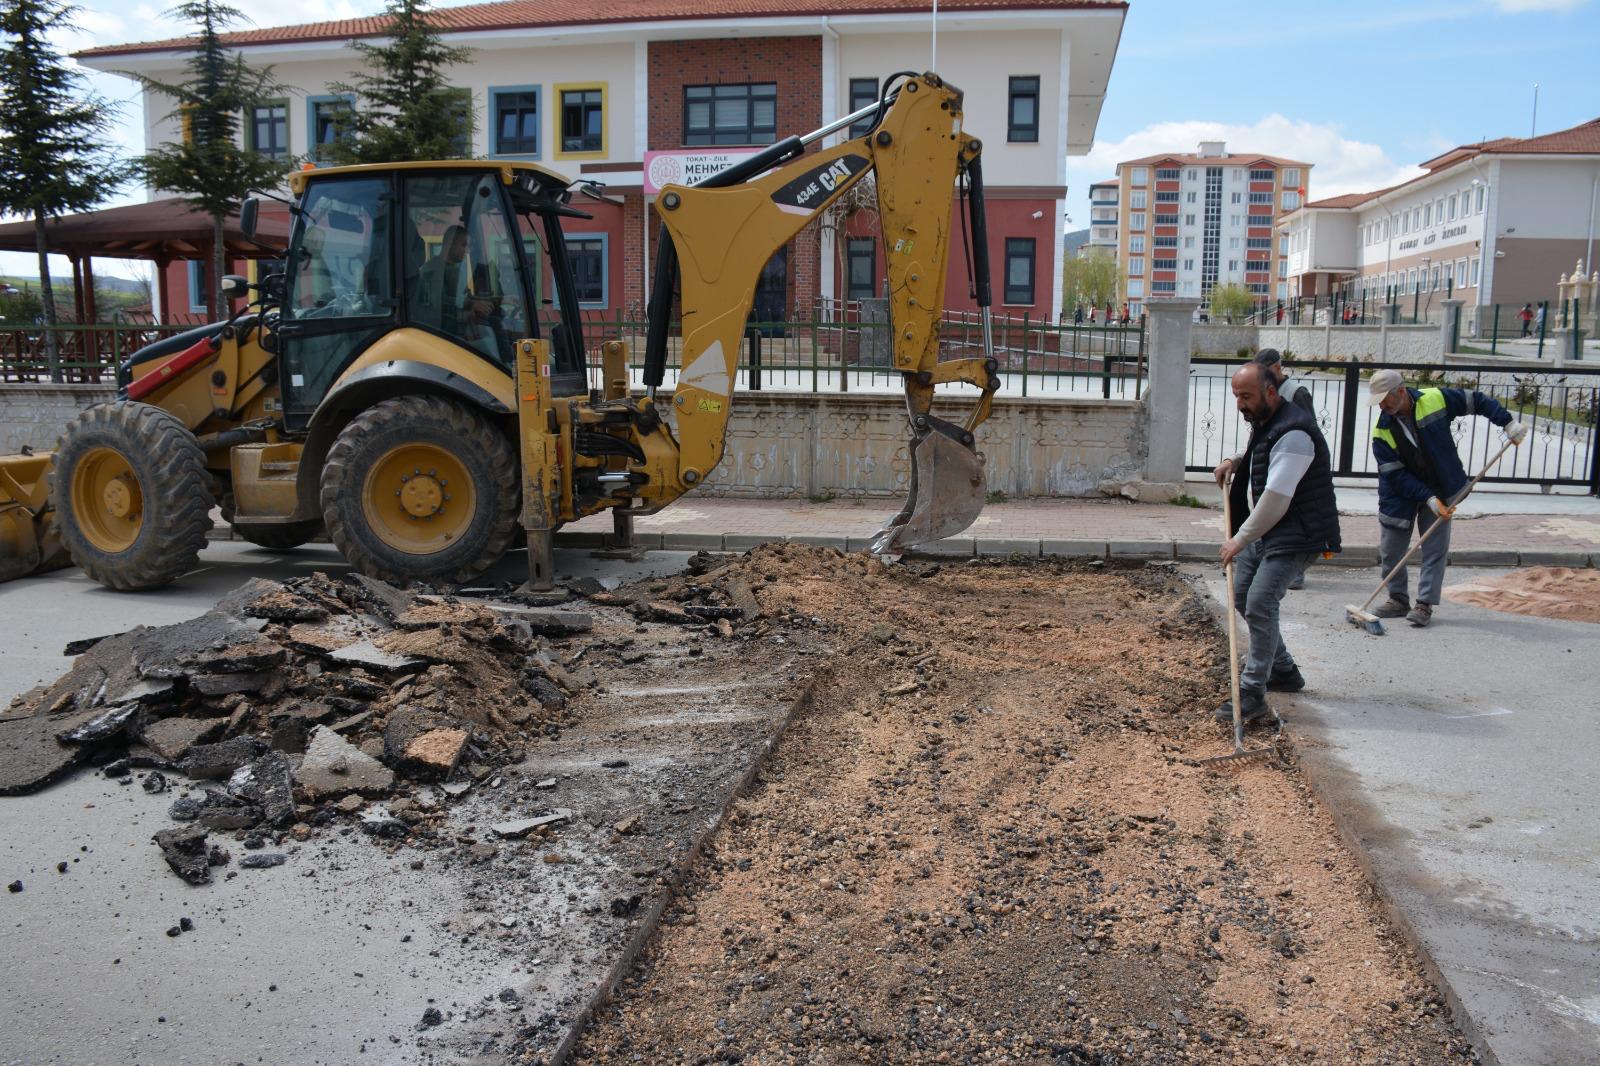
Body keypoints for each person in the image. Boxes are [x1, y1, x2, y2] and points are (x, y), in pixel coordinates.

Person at [1211, 363, 1341, 727]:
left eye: (1246, 396)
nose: (1240, 404)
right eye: (1236, 396)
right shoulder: (1269, 420)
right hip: (1272, 530)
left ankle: (1252, 694)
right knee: (1241, 595)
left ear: (1270, 392)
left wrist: (1239, 539)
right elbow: (1261, 454)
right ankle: (1282, 668)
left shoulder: (1296, 431)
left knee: (1260, 601)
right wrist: (1234, 460)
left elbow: (1276, 498)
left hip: (1298, 532)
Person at [1368, 369, 1528, 627]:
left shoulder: (1435, 399)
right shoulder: (1381, 432)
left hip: (1441, 485)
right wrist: (1428, 498)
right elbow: (1396, 477)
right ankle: (1397, 599)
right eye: (1378, 402)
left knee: (1435, 549)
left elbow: (1477, 401)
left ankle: (1424, 604)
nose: (1382, 407)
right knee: (1391, 551)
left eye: (1385, 399)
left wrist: (1508, 423)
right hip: (1400, 495)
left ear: (1401, 391)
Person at [417, 224, 497, 344]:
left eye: (468, 246)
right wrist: (471, 305)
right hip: (442, 335)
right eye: (463, 245)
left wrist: (491, 301)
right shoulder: (432, 270)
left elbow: (463, 297)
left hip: (457, 331)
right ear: (450, 244)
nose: (467, 251)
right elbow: (439, 304)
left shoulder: (455, 269)